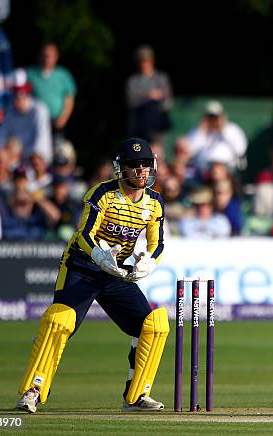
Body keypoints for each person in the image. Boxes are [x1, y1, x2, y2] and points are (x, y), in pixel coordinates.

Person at [15, 138, 169, 413]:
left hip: (116, 274)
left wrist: (149, 262)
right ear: (121, 168)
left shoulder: (155, 203)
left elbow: (157, 243)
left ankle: (136, 396)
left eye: (146, 164)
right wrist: (98, 255)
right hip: (82, 267)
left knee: (153, 325)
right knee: (59, 321)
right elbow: (85, 234)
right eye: (135, 165)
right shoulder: (102, 194)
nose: (141, 170)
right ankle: (33, 391)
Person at [0, 81, 53, 164]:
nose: (19, 101)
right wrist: (2, 151)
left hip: (35, 157)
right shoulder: (10, 110)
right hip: (14, 156)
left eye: (22, 97)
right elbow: (2, 134)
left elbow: (41, 138)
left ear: (28, 97)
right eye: (16, 98)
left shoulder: (39, 110)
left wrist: (26, 154)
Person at [27, 43, 77, 136]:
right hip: (34, 121)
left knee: (57, 148)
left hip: (56, 122)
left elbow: (70, 98)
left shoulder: (63, 75)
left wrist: (63, 118)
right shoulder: (30, 74)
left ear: (56, 57)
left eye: (49, 56)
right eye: (44, 56)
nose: (46, 59)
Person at [126, 45, 173, 144]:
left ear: (152, 61)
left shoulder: (161, 78)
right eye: (141, 61)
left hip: (157, 128)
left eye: (147, 60)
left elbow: (168, 102)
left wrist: (154, 102)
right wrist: (149, 96)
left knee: (156, 155)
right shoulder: (133, 80)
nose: (144, 64)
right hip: (138, 127)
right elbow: (131, 101)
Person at [187, 100, 247, 172]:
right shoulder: (197, 131)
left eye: (215, 116)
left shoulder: (232, 129)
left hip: (227, 170)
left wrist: (223, 130)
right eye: (210, 116)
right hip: (203, 170)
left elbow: (240, 151)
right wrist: (201, 132)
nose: (213, 120)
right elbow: (189, 152)